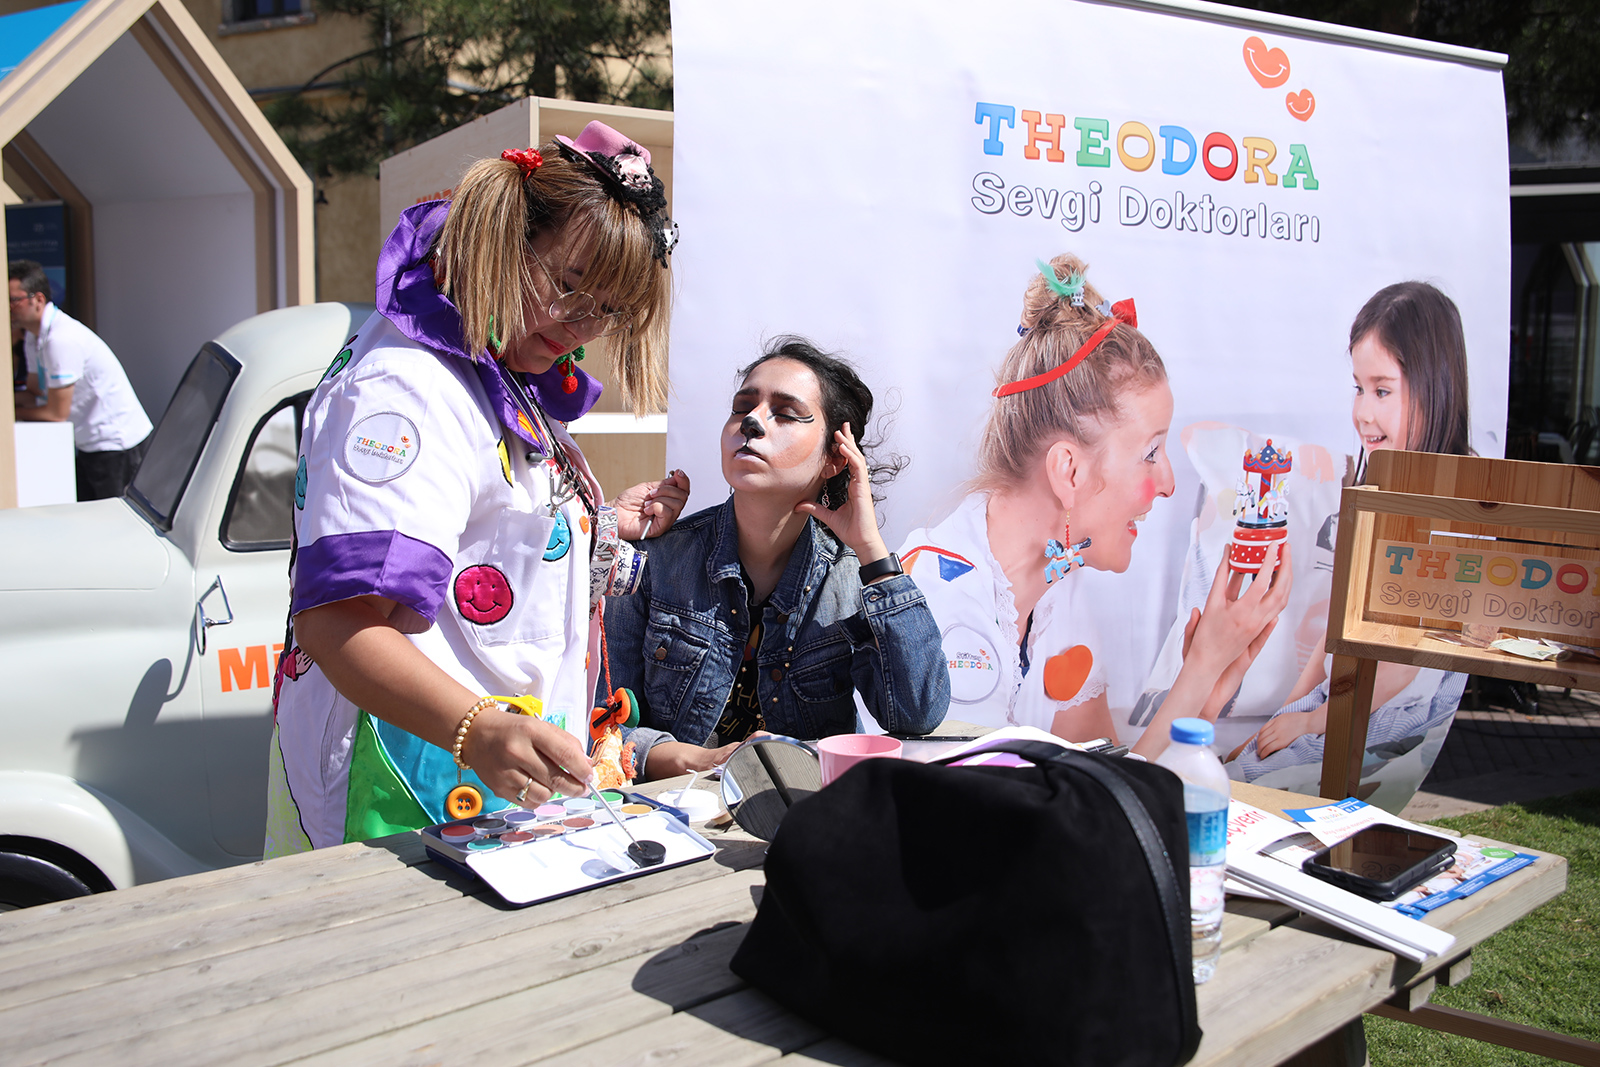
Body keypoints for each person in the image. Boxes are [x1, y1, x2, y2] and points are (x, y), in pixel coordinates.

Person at [267, 122, 689, 855]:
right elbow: (336, 620)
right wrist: (476, 728)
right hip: (406, 786)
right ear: (506, 236)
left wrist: (599, 523)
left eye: (607, 308)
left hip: (486, 784)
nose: (580, 325)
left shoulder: (500, 370)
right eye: (568, 285)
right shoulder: (410, 389)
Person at [897, 254, 1290, 758]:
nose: (1168, 483)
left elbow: (1104, 785)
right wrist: (1201, 670)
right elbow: (1031, 811)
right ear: (1070, 472)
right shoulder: (937, 605)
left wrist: (1206, 687)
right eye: (1150, 453)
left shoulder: (1059, 592)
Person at [602, 338, 950, 778]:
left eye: (785, 413)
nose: (751, 421)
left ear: (835, 457)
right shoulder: (656, 560)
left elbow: (917, 714)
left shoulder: (850, 579)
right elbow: (603, 722)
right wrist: (704, 761)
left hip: (809, 808)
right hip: (674, 810)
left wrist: (872, 551)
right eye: (742, 407)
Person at [1230, 281, 1472, 776]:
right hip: (1342, 692)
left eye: (1382, 391)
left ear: (1435, 385)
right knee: (1235, 765)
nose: (1363, 413)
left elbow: (1403, 665)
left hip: (1390, 707)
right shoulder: (1382, 488)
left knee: (1245, 780)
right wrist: (1288, 714)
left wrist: (1312, 721)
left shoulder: (1450, 509)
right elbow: (1341, 627)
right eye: (1359, 389)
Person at [9, 260, 152, 500]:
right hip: (87, 443)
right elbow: (34, 392)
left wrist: (11, 414)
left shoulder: (61, 340)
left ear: (38, 300)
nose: (8, 307)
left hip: (115, 445)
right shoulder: (34, 337)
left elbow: (56, 413)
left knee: (112, 518)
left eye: (13, 300)